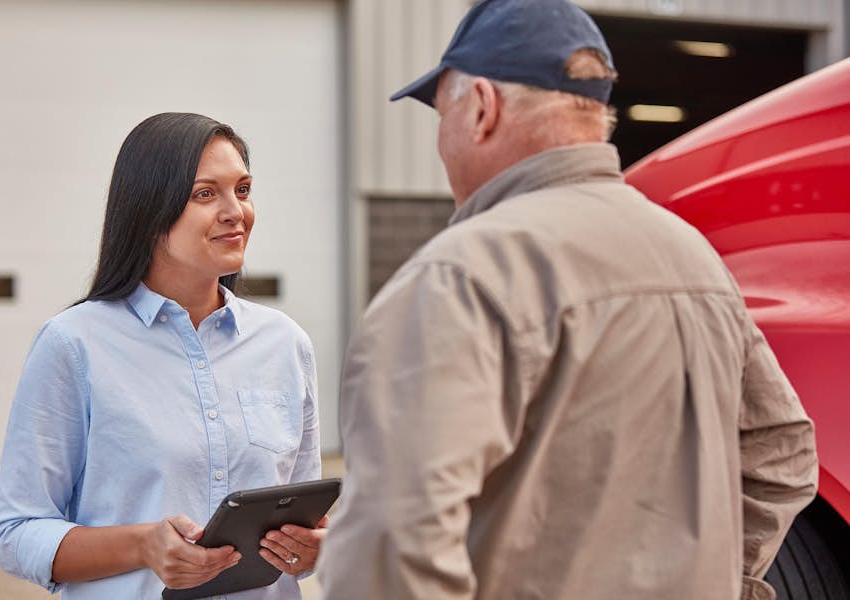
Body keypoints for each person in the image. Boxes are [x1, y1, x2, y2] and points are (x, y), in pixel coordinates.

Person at [317, 1, 818, 599]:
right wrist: (720, 579)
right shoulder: (695, 259)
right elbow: (781, 454)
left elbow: (392, 546)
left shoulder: (458, 277)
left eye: (442, 114)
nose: (441, 140)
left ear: (482, 107)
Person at [0, 113, 326, 600]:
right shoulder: (73, 344)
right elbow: (16, 532)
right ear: (148, 209)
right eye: (205, 194)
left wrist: (315, 549)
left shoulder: (285, 343)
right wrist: (143, 546)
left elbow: (303, 518)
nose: (236, 212)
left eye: (243, 189)